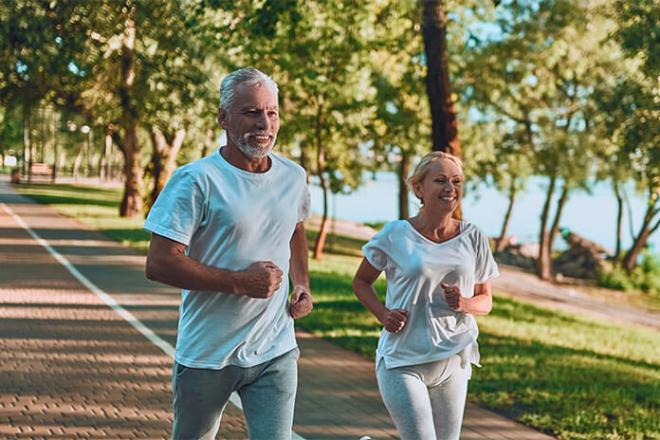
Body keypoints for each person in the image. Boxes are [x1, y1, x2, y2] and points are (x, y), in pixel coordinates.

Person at [144, 67, 313, 440]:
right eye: (251, 112)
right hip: (208, 353)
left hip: (275, 349)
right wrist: (239, 283)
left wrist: (301, 284)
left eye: (271, 112)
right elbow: (159, 262)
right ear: (222, 117)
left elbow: (296, 228)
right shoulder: (196, 180)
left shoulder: (293, 176)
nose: (264, 123)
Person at [352, 151, 499, 440]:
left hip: (453, 360)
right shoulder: (395, 234)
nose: (450, 188)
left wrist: (465, 303)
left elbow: (486, 299)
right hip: (403, 362)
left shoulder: (474, 237)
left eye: (456, 181)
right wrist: (383, 314)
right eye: (440, 180)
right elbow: (361, 281)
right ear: (419, 188)